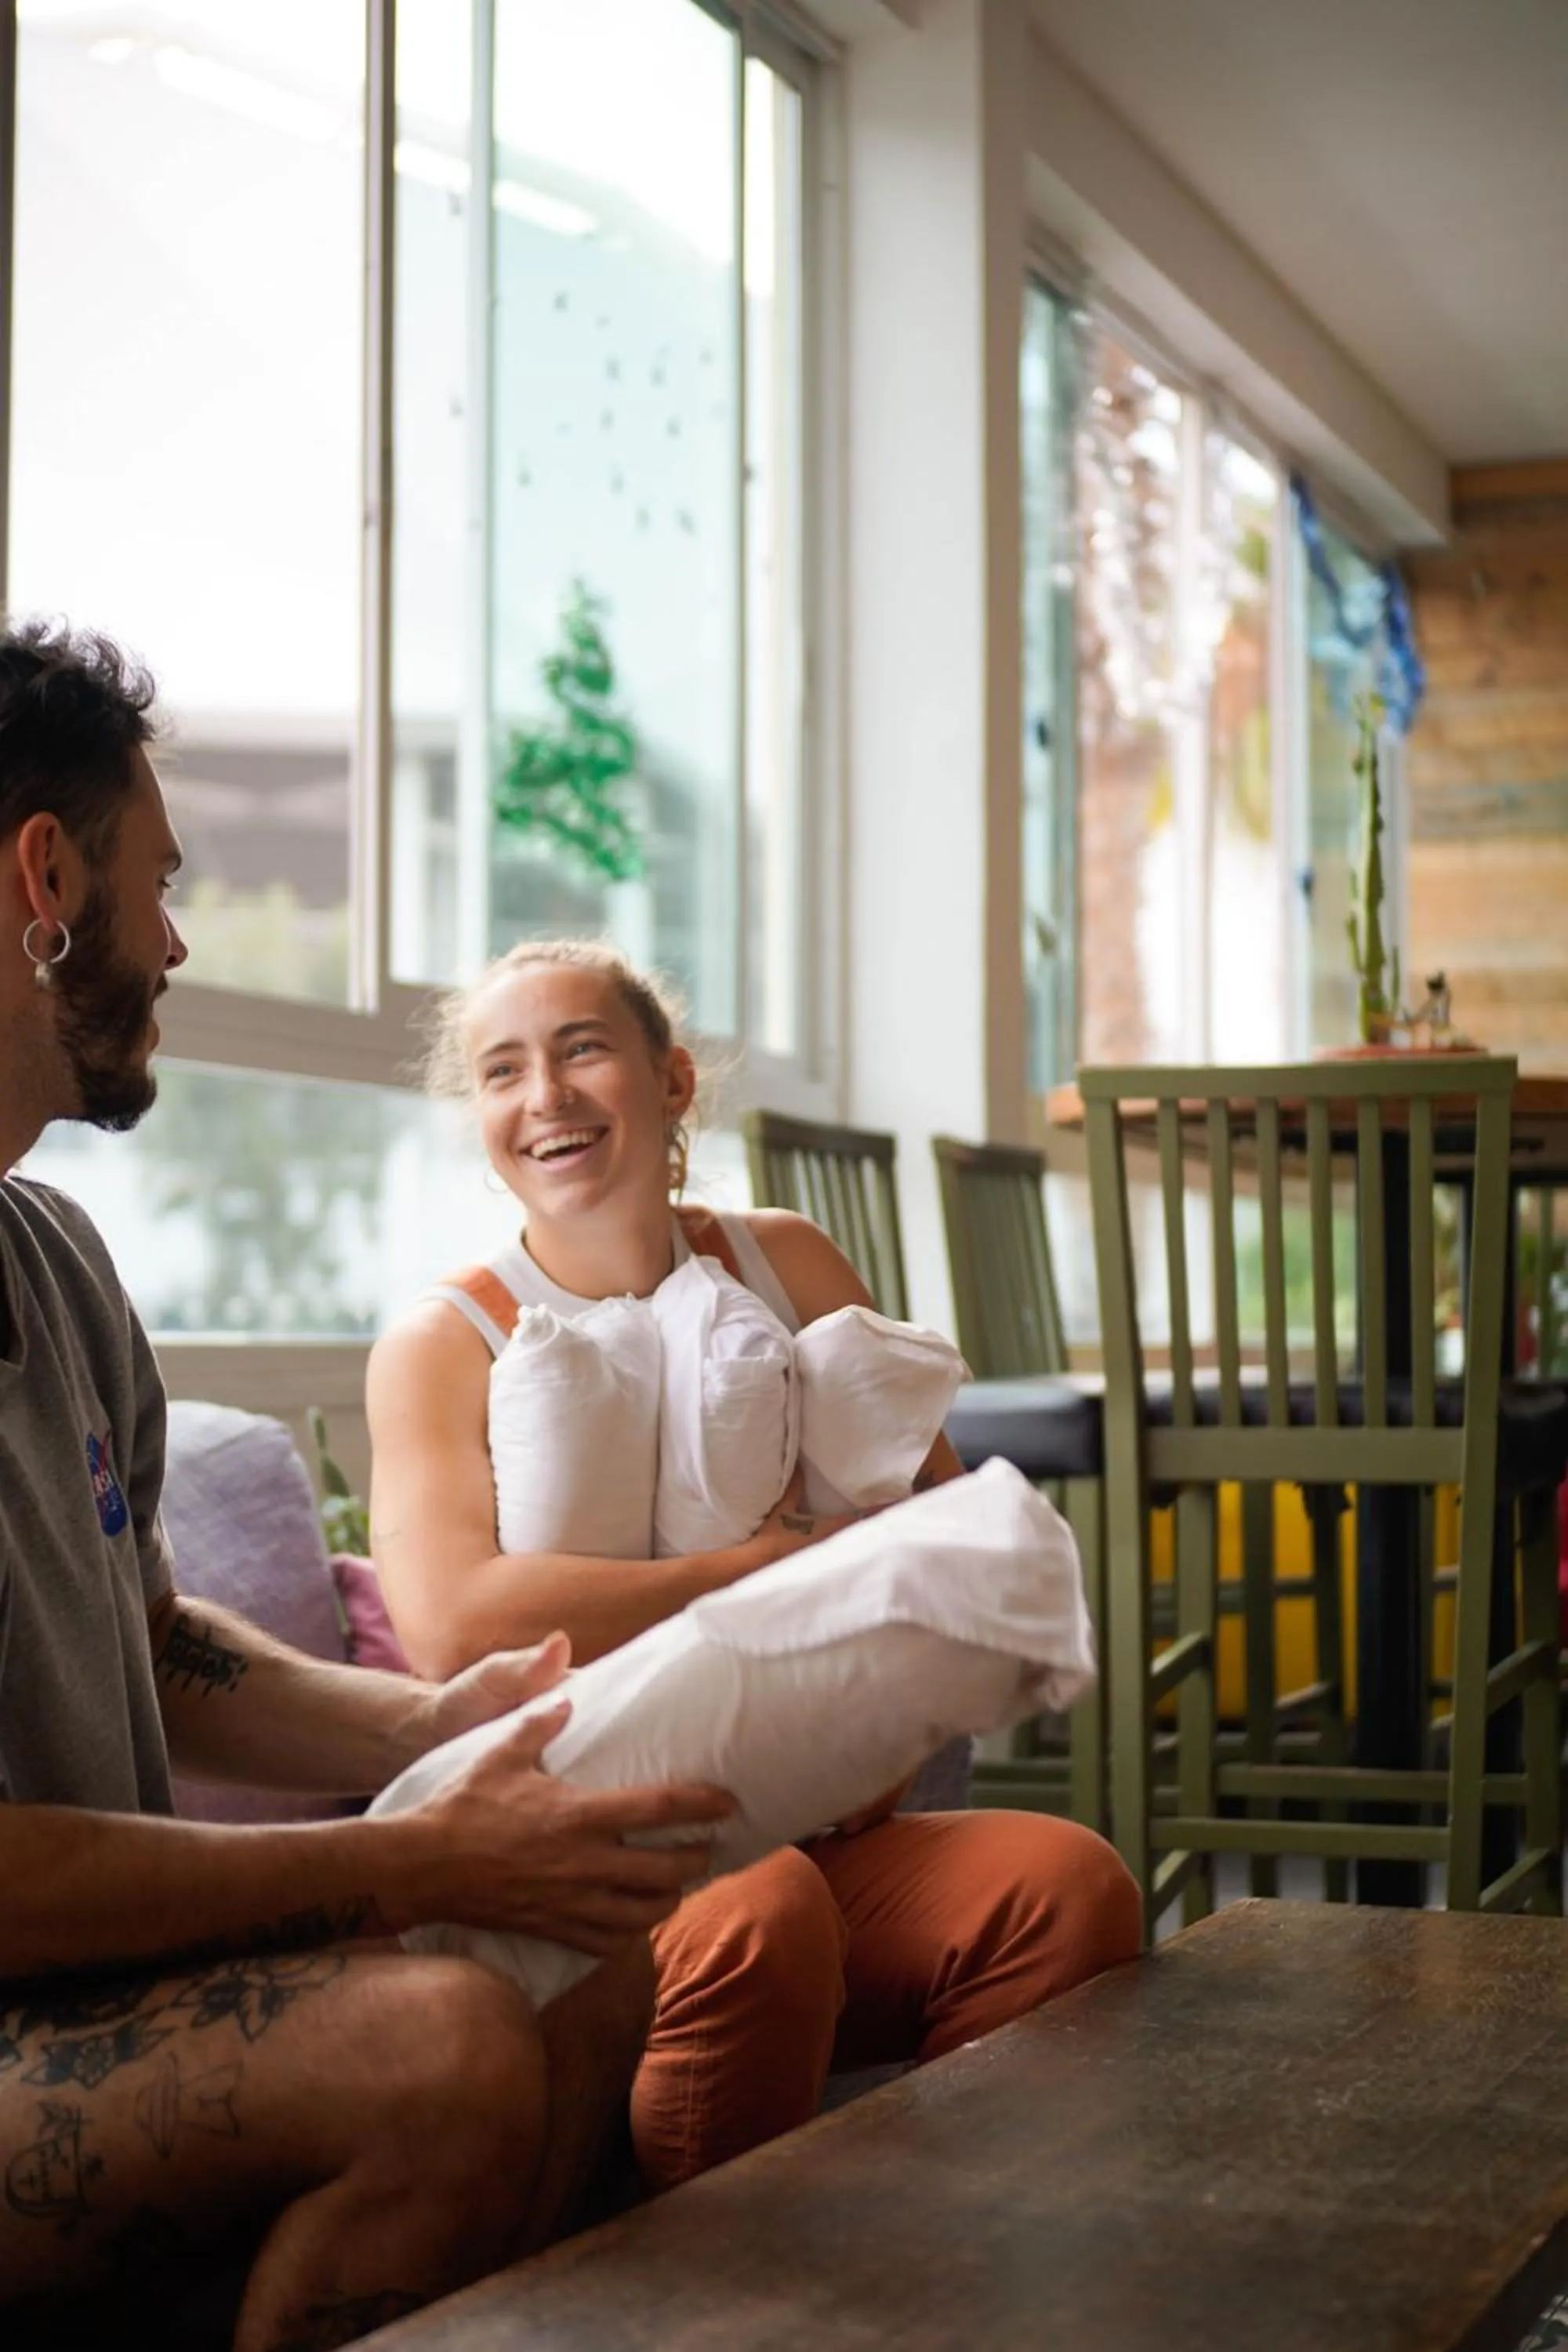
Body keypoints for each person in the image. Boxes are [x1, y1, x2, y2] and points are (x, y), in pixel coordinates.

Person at [0, 621, 737, 2352]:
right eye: (153, 885)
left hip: (83, 2014)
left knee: (589, 1960)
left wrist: (427, 1731)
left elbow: (162, 1637)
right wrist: (411, 1871)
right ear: (46, 877)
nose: (173, 942)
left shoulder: (53, 1257)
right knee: (445, 2047)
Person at [367, 936, 1143, 2194]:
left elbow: (950, 1546)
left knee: (1069, 1888)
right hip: (599, 1858)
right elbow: (456, 1626)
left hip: (832, 1821)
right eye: (502, 1071)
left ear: (672, 1082)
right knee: (761, 1915)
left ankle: (925, 2239)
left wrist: (878, 1739)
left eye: (581, 1051)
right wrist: (767, 1567)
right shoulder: (441, 1342)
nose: (544, 1096)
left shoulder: (787, 1264)